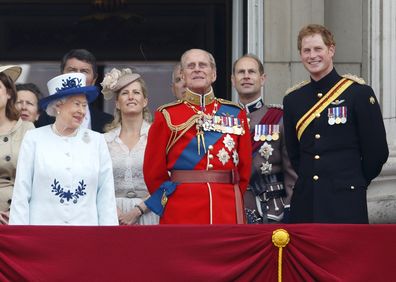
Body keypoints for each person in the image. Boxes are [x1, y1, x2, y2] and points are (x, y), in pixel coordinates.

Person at [282, 24, 389, 223]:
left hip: (346, 199)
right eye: (306, 50)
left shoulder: (358, 93)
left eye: (318, 49)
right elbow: (295, 155)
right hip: (306, 201)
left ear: (331, 50)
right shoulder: (293, 99)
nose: (312, 55)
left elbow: (377, 151)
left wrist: (353, 182)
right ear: (301, 55)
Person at [143, 48, 252, 224]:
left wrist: (234, 197)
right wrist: (171, 202)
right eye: (190, 66)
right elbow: (153, 172)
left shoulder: (235, 113)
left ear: (214, 74)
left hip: (226, 207)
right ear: (183, 76)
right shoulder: (167, 115)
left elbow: (245, 168)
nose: (197, 69)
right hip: (181, 209)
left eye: (203, 65)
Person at [9, 72, 118, 225]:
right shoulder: (34, 139)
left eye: (84, 105)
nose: (82, 110)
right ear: (59, 105)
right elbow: (21, 192)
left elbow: (106, 195)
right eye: (76, 104)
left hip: (85, 233)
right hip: (43, 234)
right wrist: (20, 239)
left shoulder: (97, 141)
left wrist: (108, 238)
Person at [231, 54, 297, 223]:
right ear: (233, 80)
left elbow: (291, 170)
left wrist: (291, 208)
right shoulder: (224, 119)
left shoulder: (279, 117)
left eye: (251, 72)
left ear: (262, 79)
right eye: (241, 72)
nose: (246, 76)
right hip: (233, 208)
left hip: (272, 208)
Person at [101, 68, 158, 225]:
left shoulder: (157, 137)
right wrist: (117, 213)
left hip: (149, 213)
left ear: (145, 101)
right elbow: (98, 183)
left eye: (136, 92)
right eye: (125, 93)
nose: (131, 97)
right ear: (117, 103)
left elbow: (164, 182)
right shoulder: (104, 141)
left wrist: (137, 211)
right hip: (112, 215)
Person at [35, 49, 113, 133]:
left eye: (84, 71)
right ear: (61, 75)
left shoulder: (108, 122)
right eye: (72, 70)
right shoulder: (45, 119)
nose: (77, 76)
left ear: (94, 80)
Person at [0, 65, 35, 224]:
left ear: (8, 93)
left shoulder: (27, 129)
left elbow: (38, 176)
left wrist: (20, 210)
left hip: (24, 215)